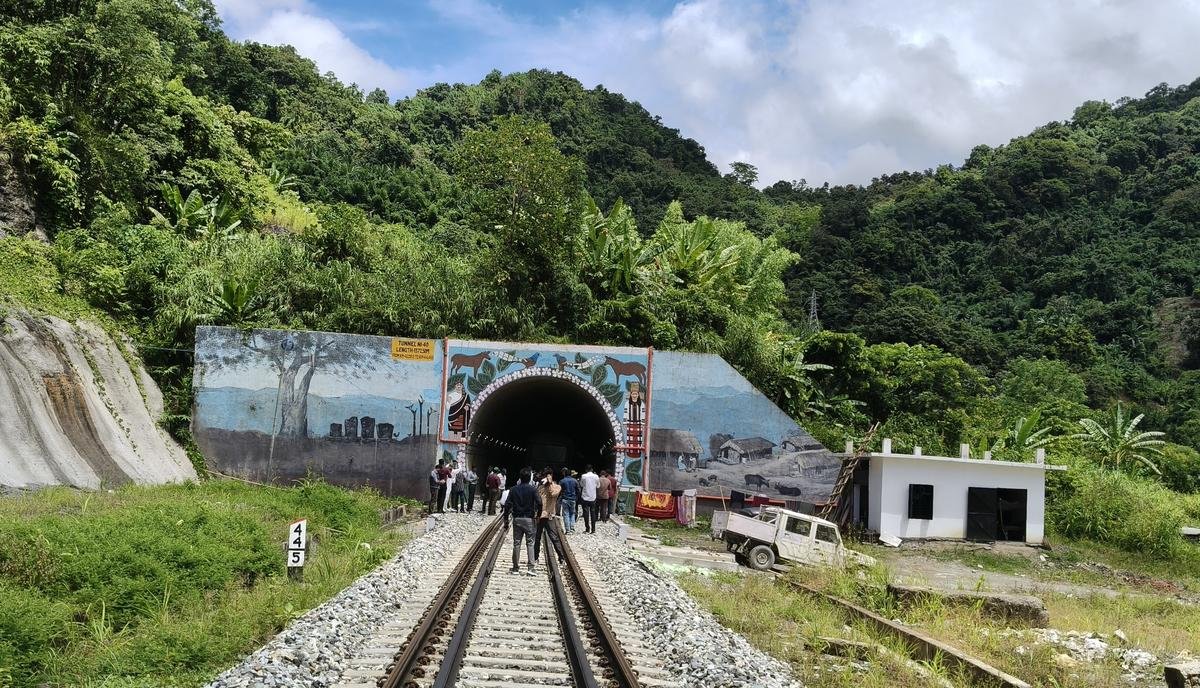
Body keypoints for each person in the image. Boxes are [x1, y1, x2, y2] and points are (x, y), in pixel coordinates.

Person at [503, 467, 538, 575]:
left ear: (520, 478)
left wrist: (505, 520)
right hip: (529, 519)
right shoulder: (533, 489)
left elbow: (507, 505)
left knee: (516, 543)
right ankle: (531, 568)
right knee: (530, 543)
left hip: (517, 519)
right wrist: (538, 515)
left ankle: (515, 568)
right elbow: (540, 503)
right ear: (529, 478)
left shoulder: (513, 489)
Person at [534, 468, 566, 565]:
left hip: (549, 515)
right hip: (540, 515)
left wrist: (550, 483)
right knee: (537, 537)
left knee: (554, 537)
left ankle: (561, 557)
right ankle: (535, 557)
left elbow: (553, 494)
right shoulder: (540, 488)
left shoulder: (557, 487)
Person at [579, 465, 599, 534]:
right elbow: (598, 486)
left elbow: (581, 485)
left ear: (586, 470)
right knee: (593, 513)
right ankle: (593, 529)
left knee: (586, 513)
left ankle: (587, 528)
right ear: (592, 469)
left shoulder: (583, 476)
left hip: (585, 497)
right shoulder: (596, 476)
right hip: (593, 497)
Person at [558, 467, 579, 533]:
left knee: (566, 514)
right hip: (573, 499)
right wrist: (577, 497)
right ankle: (572, 528)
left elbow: (558, 490)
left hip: (565, 499)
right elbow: (578, 490)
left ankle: (567, 530)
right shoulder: (575, 481)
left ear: (565, 474)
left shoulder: (562, 481)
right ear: (571, 474)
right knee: (572, 513)